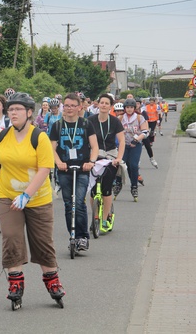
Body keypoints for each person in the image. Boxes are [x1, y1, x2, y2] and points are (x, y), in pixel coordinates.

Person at [0, 92, 66, 307]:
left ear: (29, 113)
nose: (13, 112)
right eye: (11, 109)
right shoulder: (2, 136)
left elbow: (45, 169)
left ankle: (53, 282)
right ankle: (16, 283)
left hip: (37, 198)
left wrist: (27, 195)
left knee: (42, 242)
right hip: (8, 196)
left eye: (18, 109)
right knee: (11, 237)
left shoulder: (39, 137)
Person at [49, 93, 98, 252]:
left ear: (79, 107)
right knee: (69, 204)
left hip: (82, 169)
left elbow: (95, 147)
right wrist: (58, 162)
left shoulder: (86, 124)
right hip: (64, 169)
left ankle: (83, 237)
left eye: (73, 106)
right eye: (67, 105)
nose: (69, 109)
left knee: (79, 201)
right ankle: (73, 236)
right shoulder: (57, 126)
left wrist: (91, 162)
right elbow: (52, 148)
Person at [87, 94, 125, 226]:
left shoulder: (115, 122)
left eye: (106, 103)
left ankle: (104, 218)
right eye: (101, 102)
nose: (103, 105)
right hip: (94, 156)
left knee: (106, 189)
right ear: (98, 104)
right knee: (93, 191)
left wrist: (118, 158)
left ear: (110, 106)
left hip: (110, 156)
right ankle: (95, 216)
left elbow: (121, 141)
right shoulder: (90, 120)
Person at [118, 98, 149, 201]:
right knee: (121, 164)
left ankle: (134, 186)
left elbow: (145, 132)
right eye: (127, 107)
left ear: (134, 108)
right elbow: (114, 131)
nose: (129, 109)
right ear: (125, 108)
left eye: (131, 107)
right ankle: (118, 183)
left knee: (133, 165)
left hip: (135, 145)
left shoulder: (139, 118)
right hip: (124, 145)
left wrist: (136, 140)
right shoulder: (120, 118)